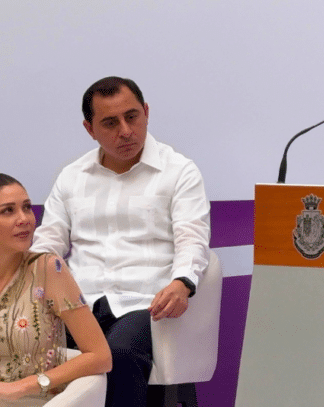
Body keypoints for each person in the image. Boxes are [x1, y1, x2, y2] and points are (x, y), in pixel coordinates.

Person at [31, 77, 210, 407]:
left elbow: (192, 237)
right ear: (90, 129)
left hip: (146, 303)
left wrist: (183, 282)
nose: (126, 131)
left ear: (146, 112)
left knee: (118, 354)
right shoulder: (72, 176)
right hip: (80, 303)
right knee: (23, 342)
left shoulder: (179, 171)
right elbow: (48, 243)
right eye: (110, 123)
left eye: (132, 117)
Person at [0, 173, 111, 406]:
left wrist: (23, 386)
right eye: (8, 211)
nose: (25, 219)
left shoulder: (48, 269)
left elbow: (100, 357)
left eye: (27, 207)